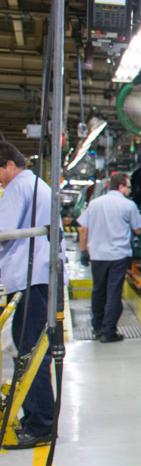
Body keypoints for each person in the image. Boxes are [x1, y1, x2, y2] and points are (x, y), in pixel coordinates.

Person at [0, 142, 55, 449]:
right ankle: (37, 418)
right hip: (36, 277)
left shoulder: (18, 187)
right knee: (31, 352)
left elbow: (2, 231)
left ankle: (41, 425)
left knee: (30, 354)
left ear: (9, 164)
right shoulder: (36, 185)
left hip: (29, 278)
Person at [77, 173, 141, 343]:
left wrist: (83, 251)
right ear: (121, 187)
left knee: (98, 291)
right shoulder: (128, 205)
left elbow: (83, 229)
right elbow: (138, 229)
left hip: (97, 255)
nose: (130, 191)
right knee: (114, 293)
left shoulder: (94, 203)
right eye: (128, 187)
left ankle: (97, 328)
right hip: (118, 256)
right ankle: (108, 332)